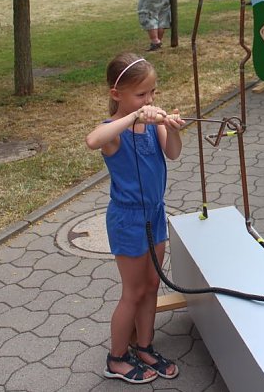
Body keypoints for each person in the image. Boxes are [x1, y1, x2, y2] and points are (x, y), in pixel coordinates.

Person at [85, 53, 183, 384]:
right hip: (127, 219)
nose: (149, 100)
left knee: (152, 284)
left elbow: (173, 153)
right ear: (117, 95)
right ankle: (115, 359)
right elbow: (91, 141)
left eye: (152, 93)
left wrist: (172, 128)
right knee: (133, 290)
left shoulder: (150, 126)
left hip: (155, 213)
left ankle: (144, 346)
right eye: (141, 95)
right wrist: (134, 116)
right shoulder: (113, 131)